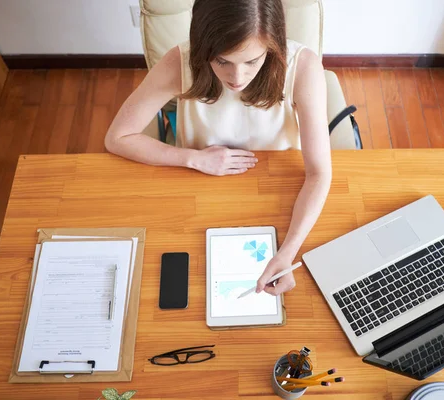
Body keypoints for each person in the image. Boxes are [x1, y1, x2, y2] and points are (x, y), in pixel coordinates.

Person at [105, 0, 331, 296]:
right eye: (222, 61)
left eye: (252, 61)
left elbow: (319, 173)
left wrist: (286, 254)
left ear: (272, 47)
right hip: (198, 185)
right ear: (203, 48)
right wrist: (193, 159)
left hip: (275, 186)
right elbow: (117, 137)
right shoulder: (180, 61)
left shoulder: (303, 66)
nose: (237, 78)